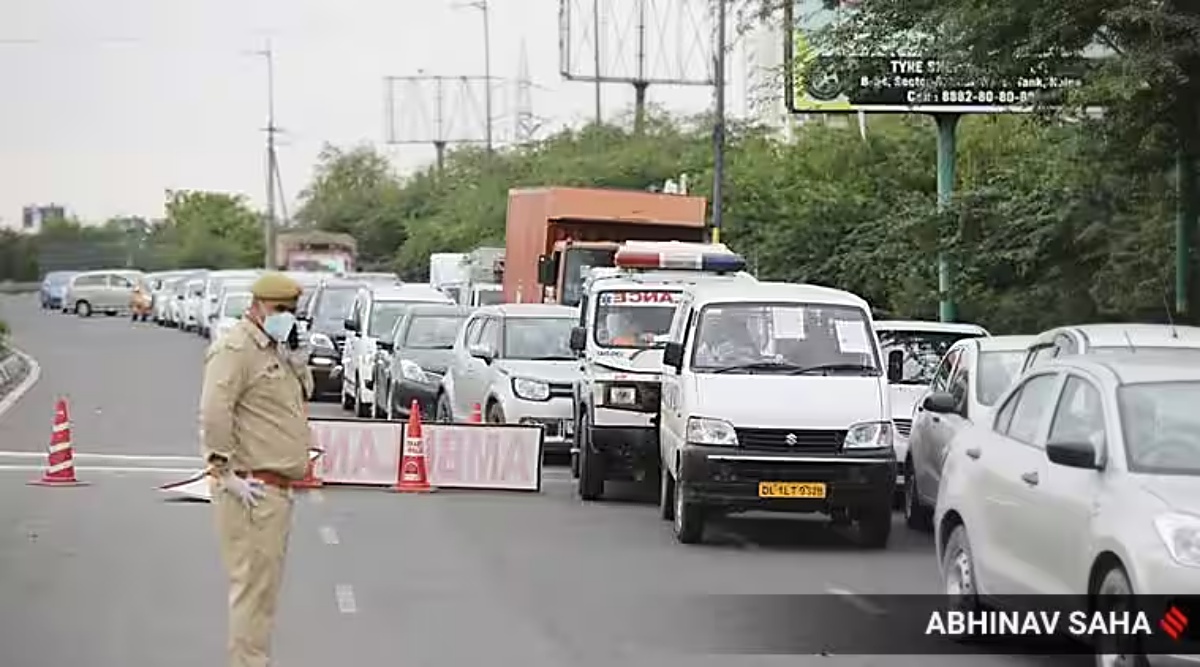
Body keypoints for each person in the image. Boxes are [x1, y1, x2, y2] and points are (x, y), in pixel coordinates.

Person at [199, 272, 313, 667]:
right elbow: (215, 412)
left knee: (263, 595)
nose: (288, 317)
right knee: (251, 591)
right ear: (259, 306)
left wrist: (299, 360)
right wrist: (223, 471)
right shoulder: (235, 349)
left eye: (293, 311)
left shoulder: (274, 349)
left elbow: (299, 399)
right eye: (282, 309)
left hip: (276, 490)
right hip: (251, 488)